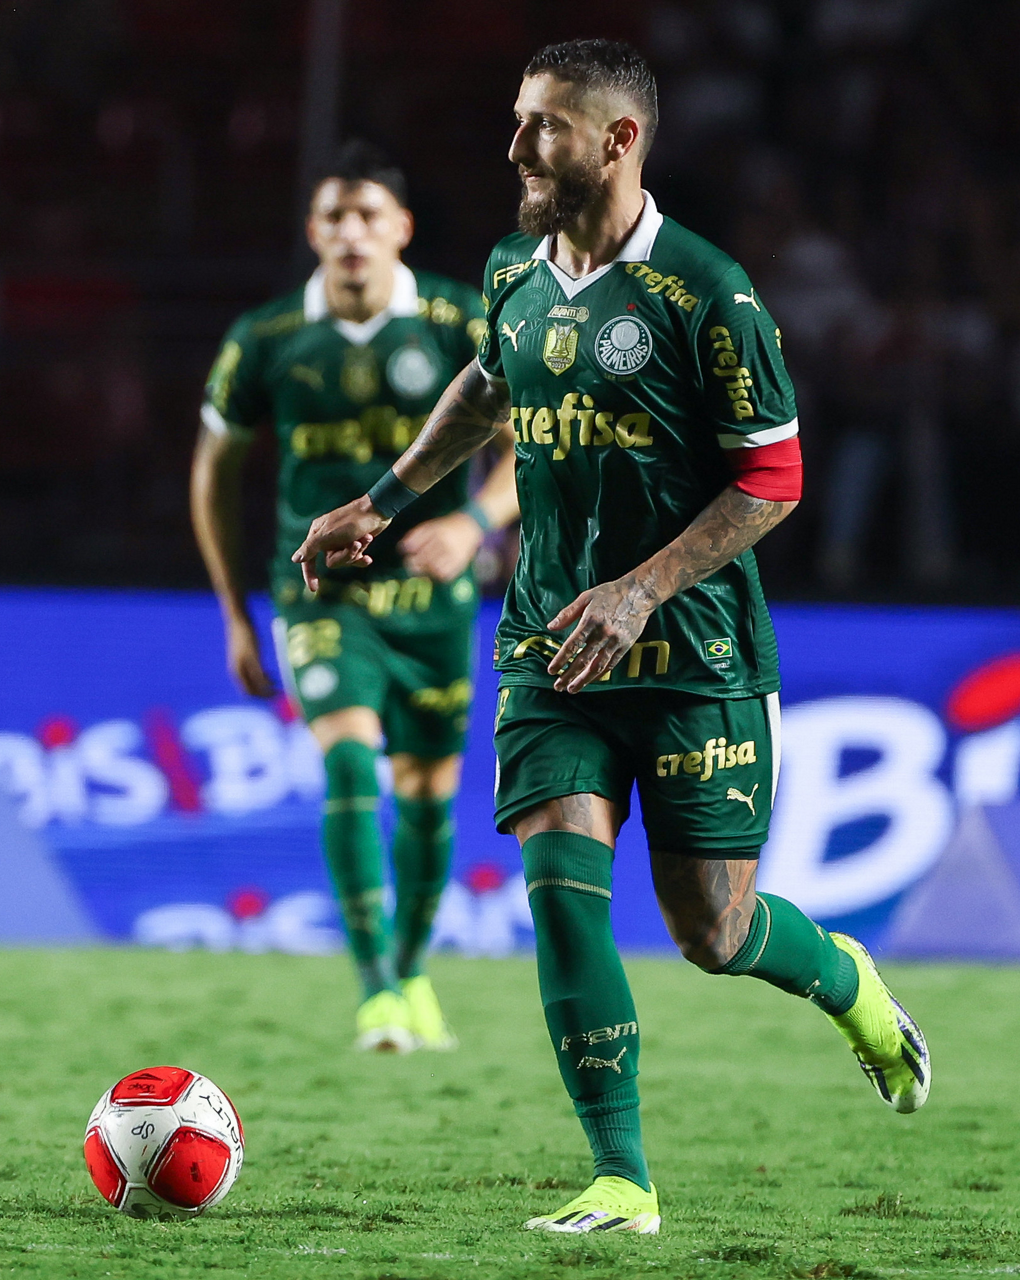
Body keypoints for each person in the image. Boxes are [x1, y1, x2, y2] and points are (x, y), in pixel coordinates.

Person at [291, 44, 930, 1233]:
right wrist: (384, 499)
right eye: (517, 121)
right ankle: (620, 1175)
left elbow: (774, 478)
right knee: (561, 893)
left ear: (617, 140)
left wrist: (640, 588)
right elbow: (487, 385)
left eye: (541, 126)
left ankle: (848, 983)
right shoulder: (510, 270)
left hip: (693, 655)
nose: (516, 148)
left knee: (713, 932)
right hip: (549, 647)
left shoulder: (706, 290)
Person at [192, 140, 518, 1054]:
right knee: (346, 764)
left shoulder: (458, 320)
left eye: (368, 215)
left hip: (431, 596)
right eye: (334, 216)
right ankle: (375, 989)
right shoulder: (265, 339)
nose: (350, 233)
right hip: (319, 594)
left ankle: (411, 974)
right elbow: (213, 473)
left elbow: (527, 446)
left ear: (400, 228)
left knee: (426, 798)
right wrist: (233, 613)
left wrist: (475, 524)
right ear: (312, 231)